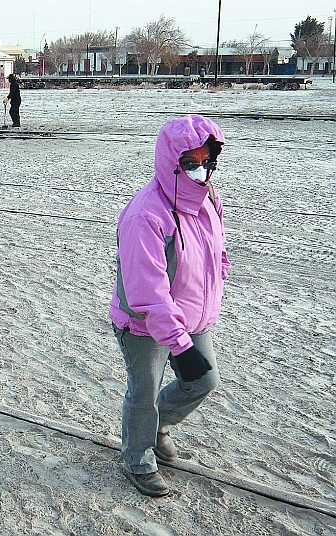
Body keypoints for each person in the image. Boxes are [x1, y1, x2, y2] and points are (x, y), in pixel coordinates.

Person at [110, 114, 229, 497]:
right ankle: (138, 459)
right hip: (144, 324)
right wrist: (180, 345)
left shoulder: (208, 197)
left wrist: (220, 273)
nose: (201, 171)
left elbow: (215, 247)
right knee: (143, 393)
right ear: (171, 161)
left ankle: (157, 425)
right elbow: (149, 293)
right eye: (191, 163)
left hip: (190, 316)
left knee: (203, 381)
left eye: (207, 162)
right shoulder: (146, 214)